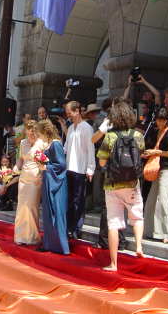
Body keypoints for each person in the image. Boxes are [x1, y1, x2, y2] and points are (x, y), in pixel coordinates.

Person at [97, 99, 145, 271]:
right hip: (132, 183)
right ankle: (138, 246)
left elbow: (102, 162)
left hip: (112, 184)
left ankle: (114, 263)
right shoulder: (138, 135)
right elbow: (140, 155)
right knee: (137, 216)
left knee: (113, 223)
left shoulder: (110, 137)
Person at [143, 108, 168, 243]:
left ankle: (167, 234)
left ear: (166, 120)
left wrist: (157, 152)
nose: (160, 122)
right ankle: (150, 231)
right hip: (157, 169)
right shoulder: (155, 132)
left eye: (162, 120)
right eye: (158, 120)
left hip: (167, 169)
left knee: (164, 202)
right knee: (151, 201)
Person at [63, 101, 95, 239]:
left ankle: (77, 228)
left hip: (81, 169)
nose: (68, 115)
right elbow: (65, 147)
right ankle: (69, 227)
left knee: (79, 200)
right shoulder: (70, 128)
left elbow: (90, 149)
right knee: (70, 199)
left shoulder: (87, 128)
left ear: (77, 111)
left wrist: (90, 168)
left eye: (69, 113)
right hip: (69, 168)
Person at [37, 119, 69, 255]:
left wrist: (45, 167)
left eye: (39, 133)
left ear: (45, 132)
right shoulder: (50, 144)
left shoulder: (55, 144)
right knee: (49, 214)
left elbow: (61, 165)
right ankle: (49, 243)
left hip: (56, 184)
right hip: (50, 181)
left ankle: (60, 246)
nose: (39, 136)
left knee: (56, 212)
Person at [14, 120, 43, 245]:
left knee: (32, 207)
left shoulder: (41, 143)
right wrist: (15, 167)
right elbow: (20, 160)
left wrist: (41, 176)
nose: (31, 133)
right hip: (23, 179)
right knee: (21, 207)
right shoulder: (23, 143)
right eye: (29, 130)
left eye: (33, 130)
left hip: (35, 179)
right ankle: (20, 237)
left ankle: (33, 237)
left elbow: (44, 163)